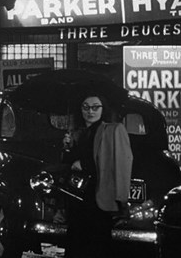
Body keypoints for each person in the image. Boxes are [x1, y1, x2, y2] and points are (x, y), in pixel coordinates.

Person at [62, 94, 133, 258]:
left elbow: (115, 162)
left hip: (98, 196)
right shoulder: (79, 134)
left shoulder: (112, 130)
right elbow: (69, 163)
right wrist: (67, 147)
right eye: (85, 107)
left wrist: (83, 165)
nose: (90, 111)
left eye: (95, 107)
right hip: (78, 198)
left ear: (103, 109)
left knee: (96, 244)